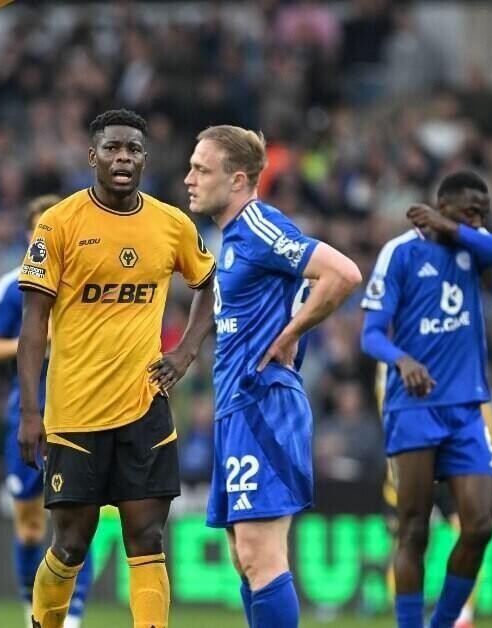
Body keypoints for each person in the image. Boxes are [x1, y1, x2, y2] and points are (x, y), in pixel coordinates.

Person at [17, 108, 217, 628]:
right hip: (74, 414)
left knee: (148, 540)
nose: (122, 157)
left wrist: (186, 351)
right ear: (93, 156)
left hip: (144, 409)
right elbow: (34, 322)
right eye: (112, 148)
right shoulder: (59, 223)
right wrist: (29, 412)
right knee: (70, 544)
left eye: (132, 150)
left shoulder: (172, 224)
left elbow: (207, 285)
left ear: (145, 159)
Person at [186, 125, 362, 627]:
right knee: (245, 557)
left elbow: (343, 273)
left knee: (260, 555)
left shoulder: (260, 225)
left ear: (238, 180)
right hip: (236, 405)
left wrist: (290, 334)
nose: (189, 179)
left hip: (262, 401)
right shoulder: (234, 238)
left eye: (202, 169)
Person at [360, 171, 492, 628]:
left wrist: (458, 230)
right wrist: (402, 360)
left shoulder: (475, 246)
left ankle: (442, 622)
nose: (477, 221)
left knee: (481, 524)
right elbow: (370, 335)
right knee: (413, 530)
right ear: (441, 204)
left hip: (466, 410)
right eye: (469, 212)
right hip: (413, 408)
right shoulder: (400, 253)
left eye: (483, 214)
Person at [0, 194, 94, 628]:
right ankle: (32, 610)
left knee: (80, 516)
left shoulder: (87, 281)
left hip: (81, 414)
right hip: (28, 416)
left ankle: (71, 617)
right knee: (28, 525)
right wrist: (35, 347)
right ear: (29, 235)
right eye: (42, 227)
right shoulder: (13, 285)